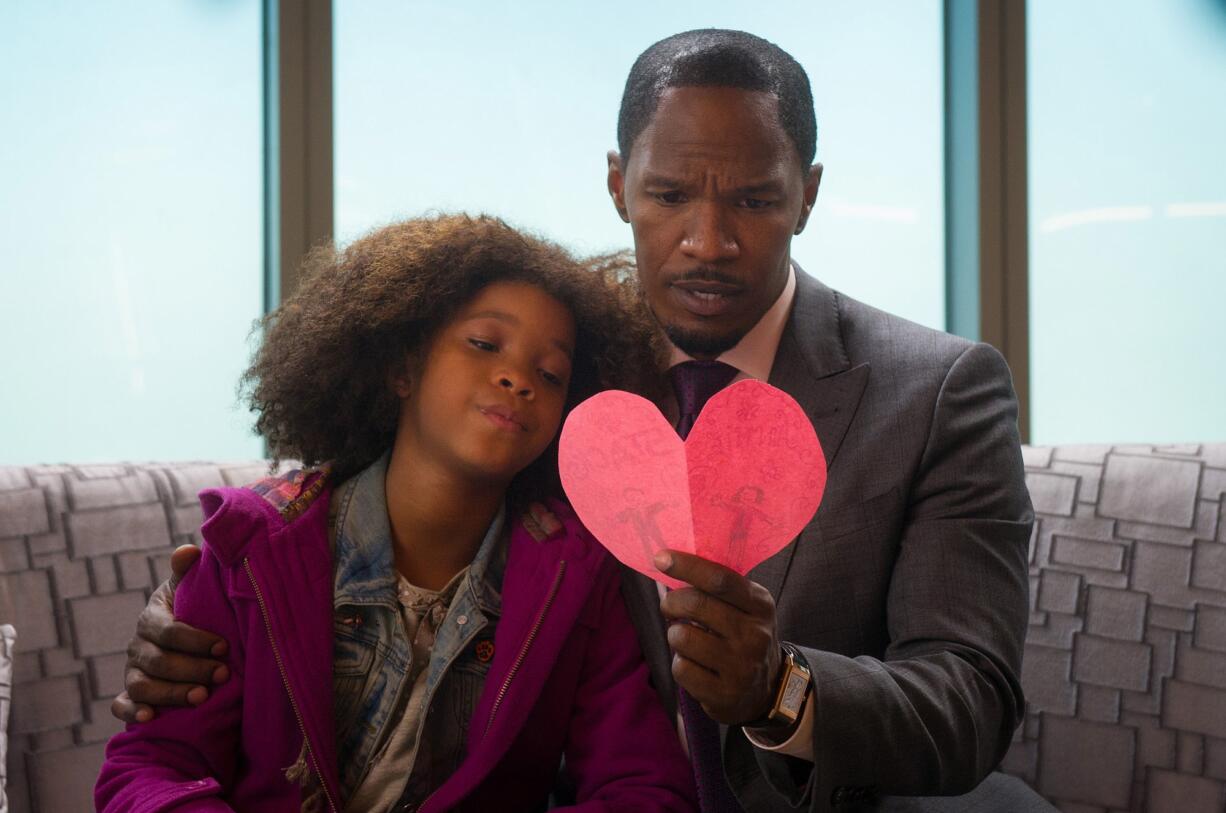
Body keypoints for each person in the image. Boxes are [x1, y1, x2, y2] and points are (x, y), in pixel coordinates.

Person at [112, 30, 1054, 812]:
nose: (709, 240)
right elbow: (349, 513)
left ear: (808, 191)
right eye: (671, 194)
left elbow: (970, 695)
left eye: (756, 199)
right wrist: (194, 621)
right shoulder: (554, 376)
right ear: (617, 184)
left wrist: (780, 689)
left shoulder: (939, 390)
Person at [96, 214, 696, 812]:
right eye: (485, 345)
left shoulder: (577, 576)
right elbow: (153, 768)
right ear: (402, 367)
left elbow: (643, 786)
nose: (518, 379)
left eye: (551, 374)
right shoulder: (251, 545)